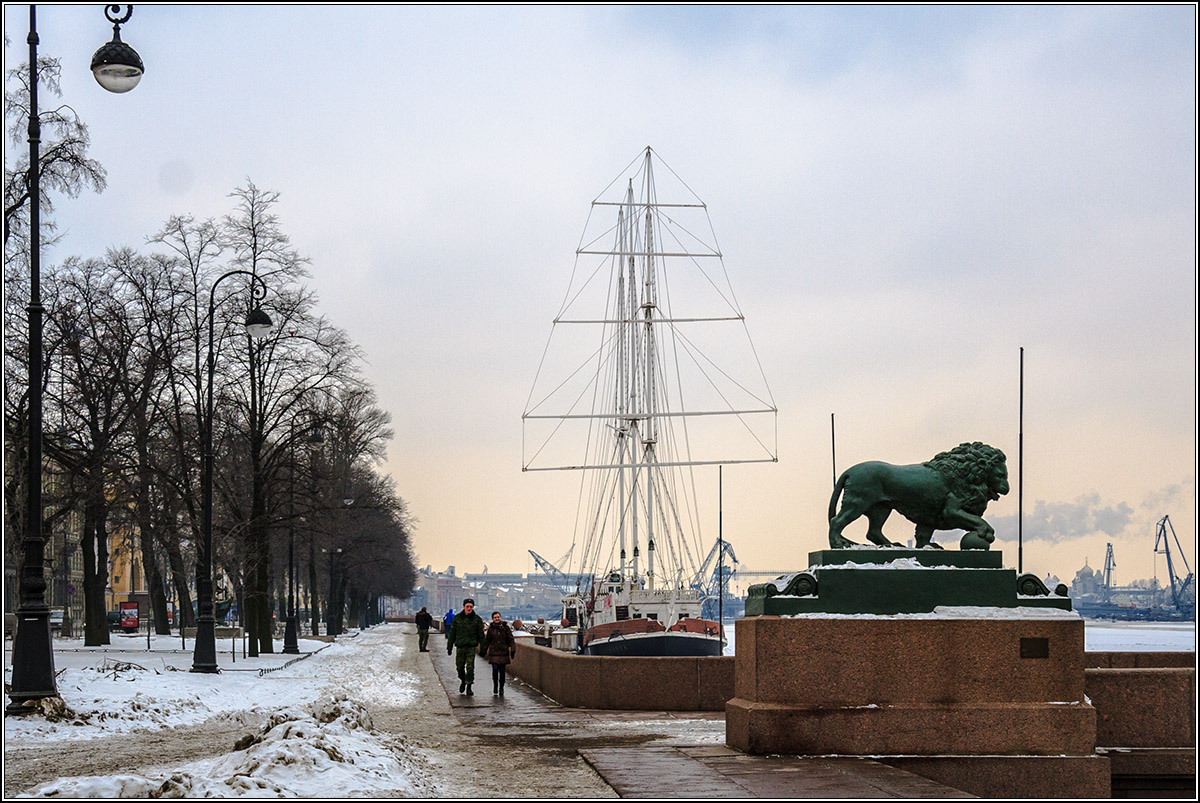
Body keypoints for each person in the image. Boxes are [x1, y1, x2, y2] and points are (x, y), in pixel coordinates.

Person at [446, 598, 485, 695]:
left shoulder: (476, 619)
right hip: (460, 646)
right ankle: (463, 680)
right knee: (459, 667)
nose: (469, 608)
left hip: (471, 646)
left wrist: (483, 648)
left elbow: (481, 635)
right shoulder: (457, 618)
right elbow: (452, 634)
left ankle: (469, 686)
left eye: (471, 607)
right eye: (467, 606)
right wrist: (449, 647)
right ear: (464, 607)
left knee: (470, 667)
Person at [482, 611, 516, 697]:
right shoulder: (491, 629)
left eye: (498, 617)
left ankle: (501, 688)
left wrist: (513, 650)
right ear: (492, 619)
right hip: (494, 653)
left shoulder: (506, 628)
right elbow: (487, 641)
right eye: (495, 617)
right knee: (495, 671)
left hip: (503, 653)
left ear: (500, 617)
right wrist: (484, 650)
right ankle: (495, 686)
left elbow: (511, 639)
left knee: (502, 672)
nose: (497, 618)